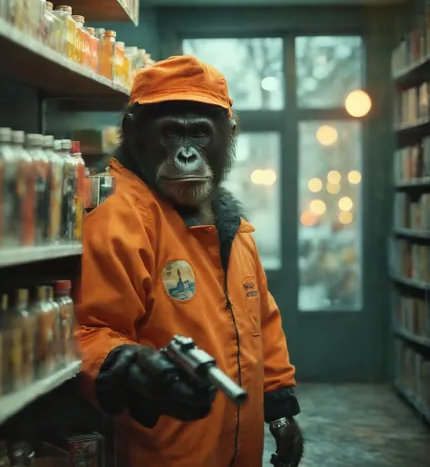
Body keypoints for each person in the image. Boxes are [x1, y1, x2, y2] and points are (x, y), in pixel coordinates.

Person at [76, 55, 303, 467]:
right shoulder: (120, 217)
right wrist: (128, 365)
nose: (185, 156)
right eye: (171, 135)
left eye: (198, 135)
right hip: (166, 451)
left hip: (237, 446)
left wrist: (279, 407)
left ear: (229, 134)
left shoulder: (228, 221)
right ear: (132, 133)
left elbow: (261, 320)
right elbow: (90, 331)